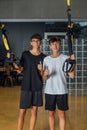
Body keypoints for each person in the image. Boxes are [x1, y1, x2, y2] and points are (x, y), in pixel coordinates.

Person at [13, 33, 46, 130]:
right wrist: (13, 62)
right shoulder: (25, 54)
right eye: (34, 41)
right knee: (22, 112)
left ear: (41, 43)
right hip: (26, 86)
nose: (36, 42)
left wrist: (41, 70)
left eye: (38, 41)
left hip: (37, 87)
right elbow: (20, 70)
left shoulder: (44, 57)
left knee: (34, 112)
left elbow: (44, 76)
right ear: (31, 42)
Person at [43, 37, 75, 130]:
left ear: (60, 45)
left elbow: (72, 75)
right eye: (53, 44)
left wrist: (73, 63)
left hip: (61, 90)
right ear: (50, 46)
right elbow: (44, 78)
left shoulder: (65, 58)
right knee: (51, 113)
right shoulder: (46, 59)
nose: (55, 46)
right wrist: (45, 74)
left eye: (57, 43)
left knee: (61, 114)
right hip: (49, 91)